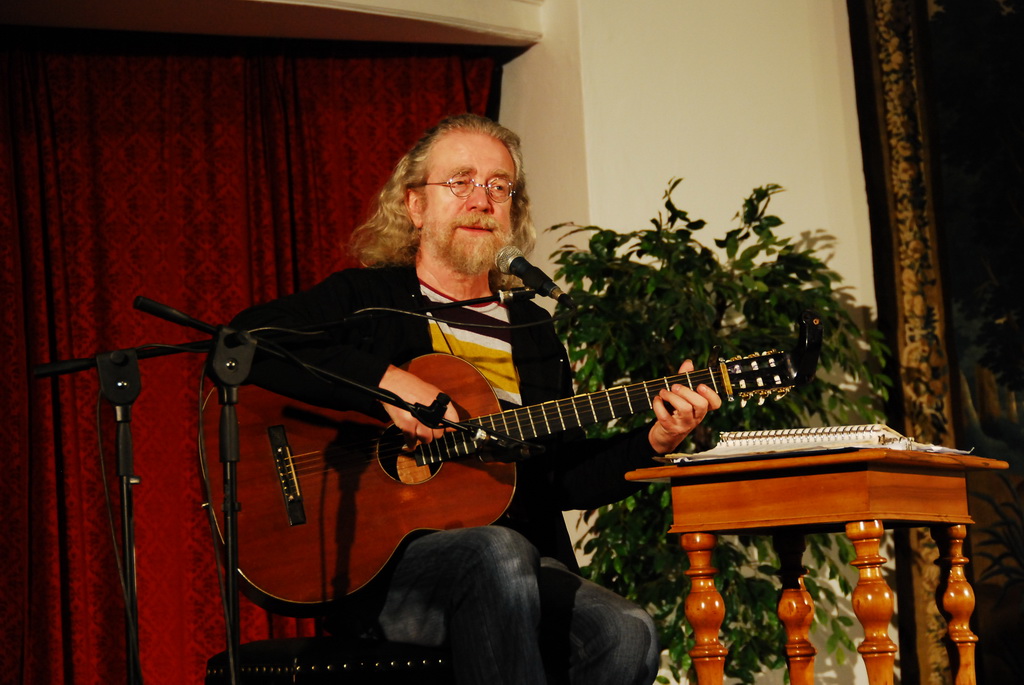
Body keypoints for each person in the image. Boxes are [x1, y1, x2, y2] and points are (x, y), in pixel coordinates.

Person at [231, 113, 721, 685]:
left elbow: (562, 479)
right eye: (460, 181)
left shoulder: (532, 329)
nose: (481, 200)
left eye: (498, 186)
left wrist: (656, 440)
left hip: (520, 567)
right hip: (387, 572)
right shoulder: (368, 299)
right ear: (415, 206)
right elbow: (246, 341)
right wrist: (388, 383)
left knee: (626, 632)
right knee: (497, 553)